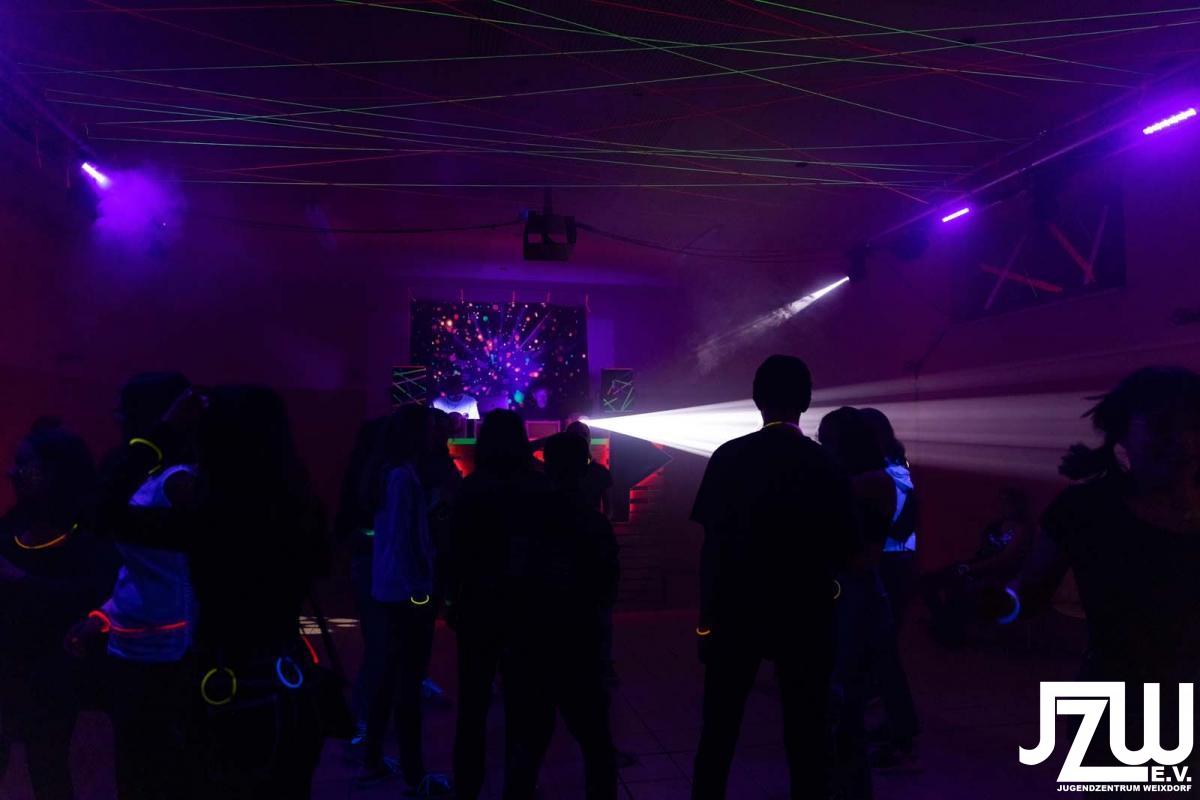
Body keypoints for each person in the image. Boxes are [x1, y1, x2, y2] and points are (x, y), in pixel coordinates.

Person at [89, 385, 332, 798]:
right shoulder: (301, 508)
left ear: (214, 440)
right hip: (290, 684)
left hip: (224, 692)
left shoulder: (211, 519)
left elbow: (101, 513)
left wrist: (161, 433)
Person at [996, 367, 1200, 786]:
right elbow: (1029, 592)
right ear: (1123, 434)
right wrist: (1001, 601)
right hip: (1119, 702)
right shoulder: (1085, 510)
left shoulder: (1086, 507)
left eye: (1195, 426)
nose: (1183, 441)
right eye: (1163, 427)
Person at [690, 355, 859, 800]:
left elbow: (712, 547)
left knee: (719, 729)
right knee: (807, 732)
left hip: (736, 609)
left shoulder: (729, 457)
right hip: (807, 611)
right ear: (806, 400)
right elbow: (846, 547)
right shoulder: (826, 464)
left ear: (756, 399)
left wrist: (705, 623)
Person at [64, 373, 198, 800]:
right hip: (132, 646)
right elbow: (138, 570)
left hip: (170, 653)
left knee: (161, 771)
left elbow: (190, 570)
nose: (116, 417)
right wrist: (103, 616)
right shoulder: (147, 476)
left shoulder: (180, 481)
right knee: (135, 768)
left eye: (124, 408)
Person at [0, 419, 117, 800]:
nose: (11, 472)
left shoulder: (88, 536)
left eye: (24, 464)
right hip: (8, 666)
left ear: (53, 474)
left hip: (56, 674)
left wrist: (20, 579)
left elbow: (95, 596)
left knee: (48, 763)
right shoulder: (14, 522)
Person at [503, 432, 619, 799]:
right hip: (580, 642)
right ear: (584, 468)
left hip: (533, 642)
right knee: (596, 741)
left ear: (547, 467)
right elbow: (607, 590)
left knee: (528, 741)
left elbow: (513, 579)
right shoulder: (594, 524)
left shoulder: (525, 519)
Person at [448, 410, 554, 800]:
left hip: (478, 604)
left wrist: (452, 600)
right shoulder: (539, 487)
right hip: (527, 606)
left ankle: (467, 787)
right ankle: (519, 788)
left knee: (473, 703)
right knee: (524, 704)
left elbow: (454, 552)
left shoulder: (471, 488)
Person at [818, 407, 918, 797]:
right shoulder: (881, 473)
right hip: (878, 572)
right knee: (876, 663)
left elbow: (893, 525)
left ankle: (894, 739)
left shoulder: (884, 476)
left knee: (873, 665)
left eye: (828, 439)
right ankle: (885, 738)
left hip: (884, 569)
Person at [357, 405, 452, 795]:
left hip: (390, 588)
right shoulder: (403, 478)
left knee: (389, 673)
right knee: (408, 679)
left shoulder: (390, 473)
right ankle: (415, 774)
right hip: (408, 591)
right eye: (429, 429)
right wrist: (424, 590)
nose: (434, 435)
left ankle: (375, 758)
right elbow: (406, 541)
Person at [923, 487, 1033, 647]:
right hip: (979, 568)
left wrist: (971, 568)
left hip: (999, 575)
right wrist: (969, 566)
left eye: (1007, 501)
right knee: (928, 582)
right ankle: (945, 624)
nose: (1002, 505)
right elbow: (982, 552)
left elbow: (1004, 559)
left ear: (1018, 504)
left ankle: (948, 630)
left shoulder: (1023, 529)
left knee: (954, 584)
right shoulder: (995, 525)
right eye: (1001, 501)